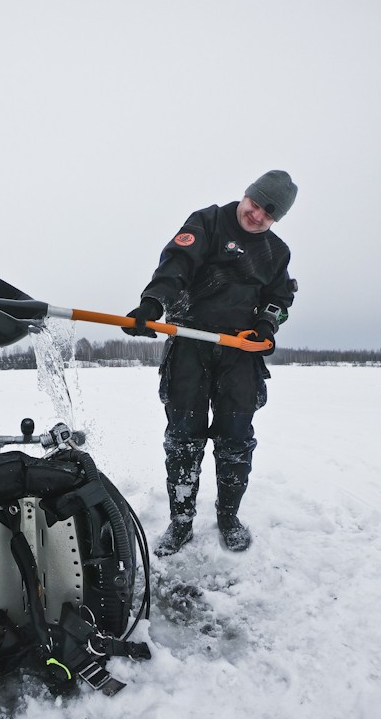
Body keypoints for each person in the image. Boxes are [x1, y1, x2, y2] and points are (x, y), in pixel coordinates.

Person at [123, 170, 298, 554]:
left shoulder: (277, 252)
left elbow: (279, 299)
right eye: (255, 205)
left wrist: (267, 325)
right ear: (247, 194)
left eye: (268, 215)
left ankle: (228, 516)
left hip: (240, 349)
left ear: (276, 219)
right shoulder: (207, 222)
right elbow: (177, 265)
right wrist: (154, 302)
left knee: (236, 439)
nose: (256, 217)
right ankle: (181, 520)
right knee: (184, 437)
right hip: (190, 339)